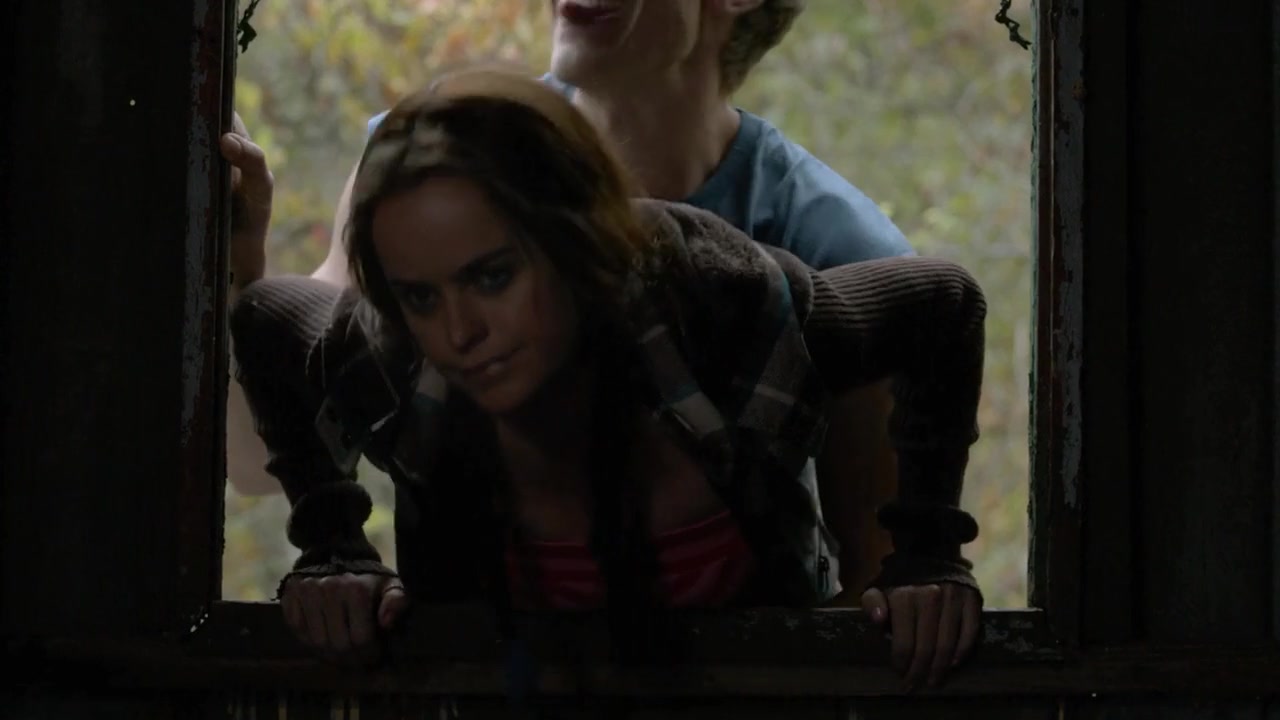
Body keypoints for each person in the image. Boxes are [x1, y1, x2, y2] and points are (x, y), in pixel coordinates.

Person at [230, 68, 986, 691]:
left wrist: (927, 555)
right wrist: (332, 547)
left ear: (577, 246)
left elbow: (943, 302)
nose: (459, 333)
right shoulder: (395, 352)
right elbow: (264, 318)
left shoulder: (721, 307)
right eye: (422, 296)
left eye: (493, 277)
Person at [226, 0, 911, 598]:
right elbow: (255, 466)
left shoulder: (830, 244)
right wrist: (235, 273)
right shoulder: (426, 171)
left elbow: (871, 587)